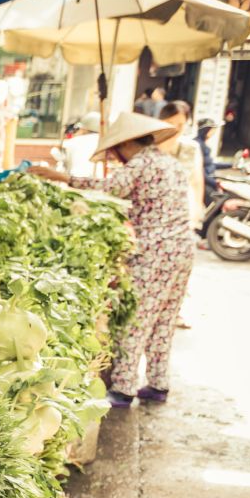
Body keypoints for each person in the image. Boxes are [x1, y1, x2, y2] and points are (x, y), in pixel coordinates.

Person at [88, 112, 191, 407]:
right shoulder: (170, 163)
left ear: (126, 144)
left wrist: (61, 179)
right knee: (164, 319)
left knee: (135, 319)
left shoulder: (141, 164)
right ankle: (158, 383)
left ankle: (123, 388)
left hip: (155, 252)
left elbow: (106, 191)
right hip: (182, 250)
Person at [158, 99, 206, 224]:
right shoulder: (150, 147)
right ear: (161, 121)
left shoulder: (192, 148)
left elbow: (196, 181)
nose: (175, 128)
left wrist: (197, 209)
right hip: (154, 212)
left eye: (180, 124)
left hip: (182, 213)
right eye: (170, 123)